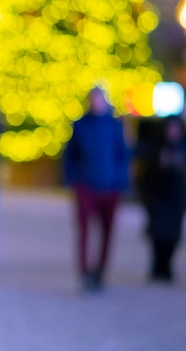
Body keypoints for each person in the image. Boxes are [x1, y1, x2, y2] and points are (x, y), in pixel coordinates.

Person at [63, 87, 130, 293]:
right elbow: (70, 156)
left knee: (107, 232)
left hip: (110, 186)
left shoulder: (115, 126)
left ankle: (100, 272)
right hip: (86, 185)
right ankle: (85, 272)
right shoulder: (81, 125)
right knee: (84, 230)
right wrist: (74, 179)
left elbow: (122, 155)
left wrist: (120, 181)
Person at [136, 115, 186, 284]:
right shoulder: (155, 147)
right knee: (157, 233)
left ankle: (167, 266)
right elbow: (144, 171)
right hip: (158, 196)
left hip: (176, 197)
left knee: (172, 234)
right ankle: (157, 266)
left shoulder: (182, 148)